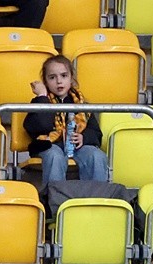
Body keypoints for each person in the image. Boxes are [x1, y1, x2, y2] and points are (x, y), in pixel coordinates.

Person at [22, 54, 108, 185]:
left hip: (77, 148)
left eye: (64, 76)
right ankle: (55, 197)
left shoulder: (81, 105)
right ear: (45, 82)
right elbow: (41, 125)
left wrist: (83, 137)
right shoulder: (41, 102)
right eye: (52, 77)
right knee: (55, 156)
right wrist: (42, 96)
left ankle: (96, 196)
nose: (59, 81)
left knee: (96, 156)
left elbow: (96, 133)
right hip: (50, 146)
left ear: (71, 78)